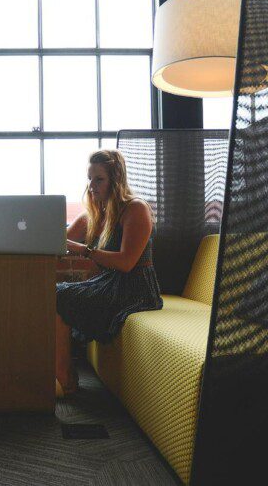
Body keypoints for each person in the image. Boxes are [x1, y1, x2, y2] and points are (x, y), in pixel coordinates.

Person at [55, 149, 163, 396]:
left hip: (135, 288)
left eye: (98, 179)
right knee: (54, 294)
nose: (91, 186)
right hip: (107, 283)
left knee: (59, 296)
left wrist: (84, 250)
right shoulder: (94, 213)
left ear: (116, 180)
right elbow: (58, 242)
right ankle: (64, 373)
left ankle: (65, 378)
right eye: (89, 179)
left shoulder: (135, 209)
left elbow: (126, 263)